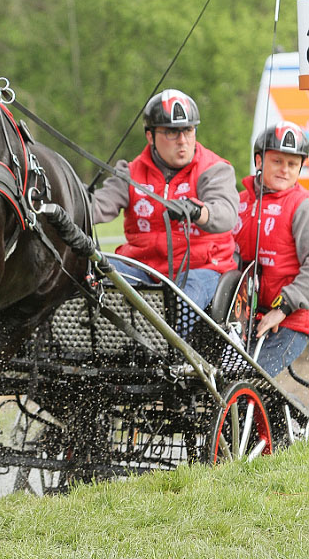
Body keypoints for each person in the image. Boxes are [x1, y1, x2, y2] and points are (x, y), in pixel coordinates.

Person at [91, 88, 239, 310]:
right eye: (172, 132)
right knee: (92, 278)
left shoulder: (214, 170)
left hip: (201, 268)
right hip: (142, 267)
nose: (183, 141)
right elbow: (98, 206)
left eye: (188, 130)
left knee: (179, 304)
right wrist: (70, 197)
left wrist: (197, 211)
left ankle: (166, 344)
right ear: (150, 135)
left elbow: (226, 214)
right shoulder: (130, 173)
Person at [233, 122, 309, 377]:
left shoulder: (303, 207)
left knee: (250, 379)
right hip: (243, 320)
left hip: (291, 320)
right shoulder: (238, 202)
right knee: (219, 380)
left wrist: (283, 308)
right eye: (277, 161)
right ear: (258, 160)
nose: (285, 170)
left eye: (292, 164)